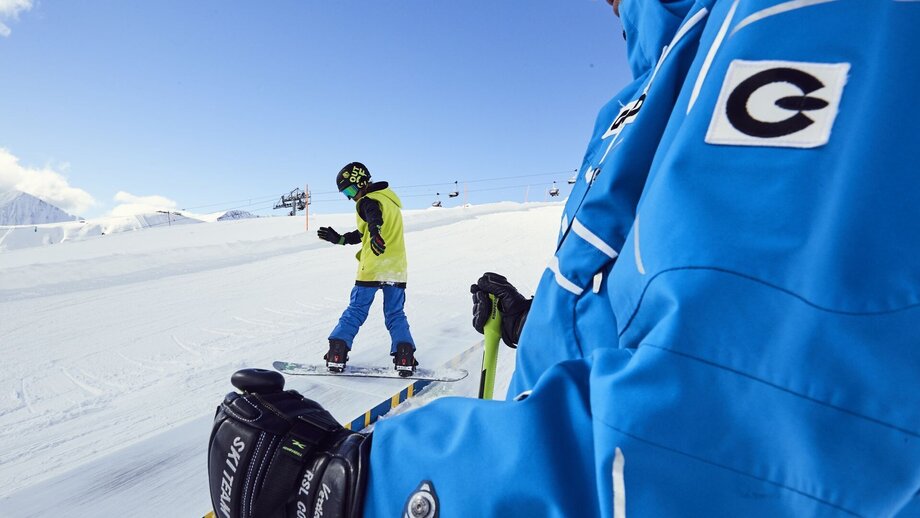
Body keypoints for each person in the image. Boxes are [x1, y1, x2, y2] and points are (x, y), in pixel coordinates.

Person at [211, 1, 920, 516]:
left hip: (379, 280)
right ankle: (395, 357)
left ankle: (341, 351)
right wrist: (540, 323)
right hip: (402, 284)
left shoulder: (799, 23)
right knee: (391, 319)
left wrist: (354, 491)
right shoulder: (671, 63)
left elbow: (738, 429)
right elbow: (665, 288)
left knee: (360, 311)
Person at [316, 162, 418, 376]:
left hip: (373, 267)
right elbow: (365, 231)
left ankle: (337, 352)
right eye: (346, 193)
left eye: (351, 190)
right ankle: (404, 355)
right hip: (396, 269)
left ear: (362, 182)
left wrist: (376, 231)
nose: (351, 197)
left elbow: (373, 218)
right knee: (395, 313)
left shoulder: (367, 200)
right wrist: (341, 239)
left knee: (356, 310)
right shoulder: (389, 200)